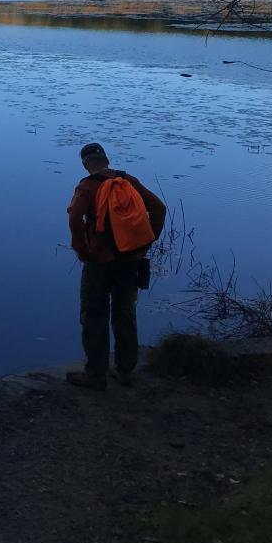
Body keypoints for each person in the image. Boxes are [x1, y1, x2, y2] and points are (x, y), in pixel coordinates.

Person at [65, 142, 166, 390]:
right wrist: (145, 241)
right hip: (130, 260)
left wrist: (82, 250)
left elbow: (75, 216)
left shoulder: (87, 186)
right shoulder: (128, 180)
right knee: (125, 314)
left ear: (85, 163)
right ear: (106, 160)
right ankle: (125, 371)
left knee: (94, 315)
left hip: (100, 261)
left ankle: (96, 374)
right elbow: (159, 208)